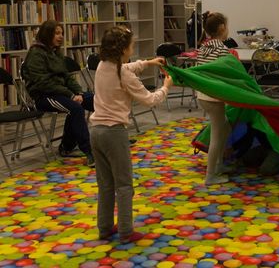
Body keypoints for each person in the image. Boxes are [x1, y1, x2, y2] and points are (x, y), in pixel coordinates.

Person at [90, 26, 172, 243]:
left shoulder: (102, 66)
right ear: (123, 49)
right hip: (114, 133)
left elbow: (126, 67)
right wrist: (166, 87)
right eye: (131, 46)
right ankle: (126, 231)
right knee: (124, 184)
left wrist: (148, 63)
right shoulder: (124, 75)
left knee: (105, 184)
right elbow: (149, 100)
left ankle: (104, 227)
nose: (133, 49)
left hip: (96, 131)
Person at [22, 20, 95, 166]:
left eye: (61, 33)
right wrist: (71, 95)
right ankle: (89, 152)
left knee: (95, 100)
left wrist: (78, 92)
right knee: (75, 108)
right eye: (57, 33)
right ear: (47, 34)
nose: (61, 36)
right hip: (43, 96)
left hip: (61, 93)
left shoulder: (55, 52)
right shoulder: (36, 53)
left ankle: (113, 136)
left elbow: (66, 77)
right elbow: (43, 83)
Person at [197, 11, 235, 185]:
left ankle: (219, 165)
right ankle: (211, 175)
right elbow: (227, 73)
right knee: (217, 135)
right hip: (213, 98)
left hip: (203, 95)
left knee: (225, 126)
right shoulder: (222, 49)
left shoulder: (203, 47)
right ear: (221, 28)